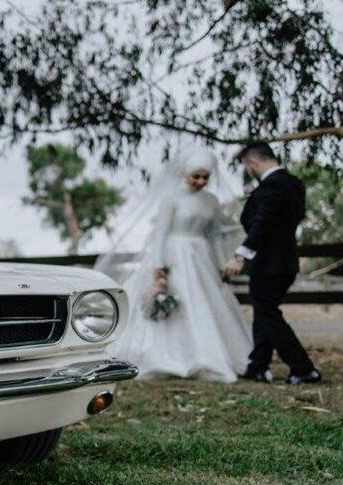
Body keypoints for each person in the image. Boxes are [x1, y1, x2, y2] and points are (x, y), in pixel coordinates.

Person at [98, 147, 252, 382]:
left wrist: (221, 263)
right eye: (196, 176)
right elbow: (160, 232)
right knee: (178, 299)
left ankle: (209, 354)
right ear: (185, 174)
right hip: (173, 254)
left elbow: (214, 235)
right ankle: (165, 356)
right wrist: (159, 265)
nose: (200, 181)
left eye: (205, 177)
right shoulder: (171, 198)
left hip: (201, 257)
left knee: (205, 302)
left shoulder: (211, 200)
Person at [221, 142, 321, 385]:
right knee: (264, 312)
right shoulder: (294, 183)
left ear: (253, 162)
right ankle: (258, 365)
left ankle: (303, 367)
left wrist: (239, 255)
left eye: (247, 166)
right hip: (285, 262)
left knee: (267, 313)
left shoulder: (272, 186)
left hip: (270, 264)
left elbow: (262, 224)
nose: (249, 170)